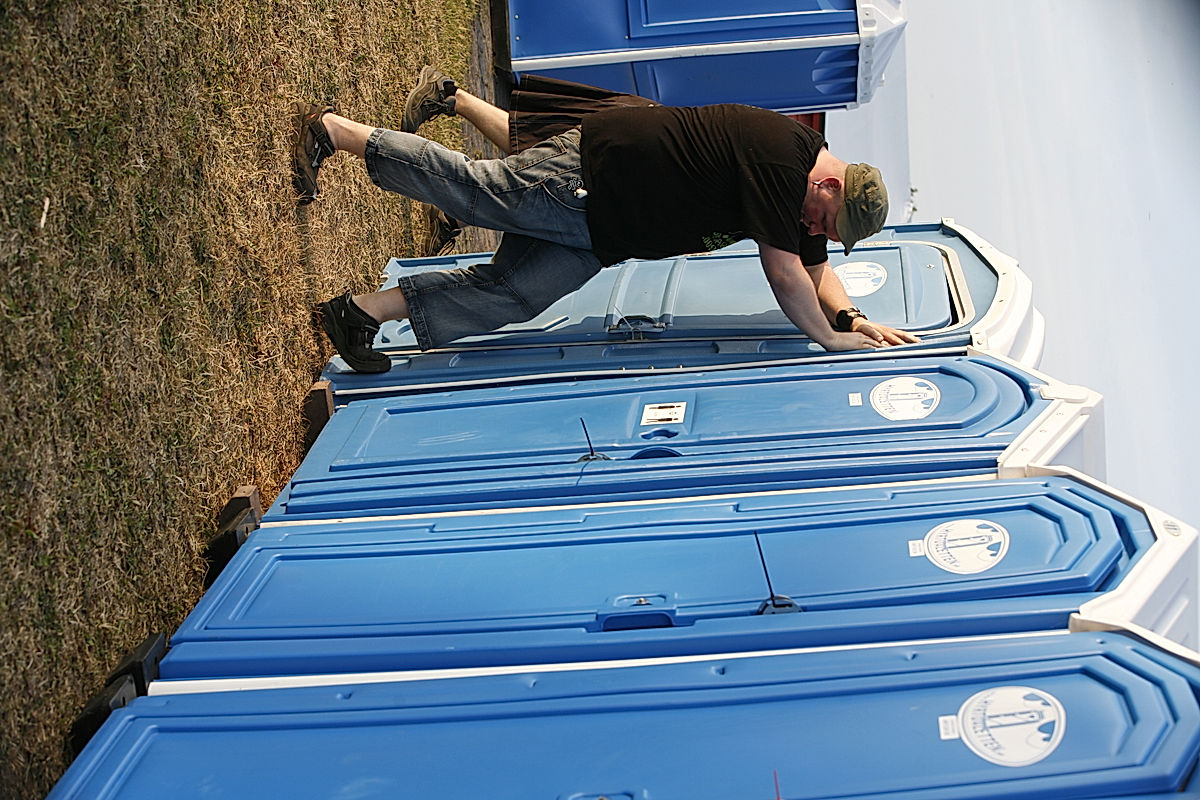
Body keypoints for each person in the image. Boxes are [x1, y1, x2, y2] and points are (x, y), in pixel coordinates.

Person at [294, 67, 920, 374]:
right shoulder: (783, 160)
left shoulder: (808, 196)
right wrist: (827, 341)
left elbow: (816, 272)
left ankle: (360, 314)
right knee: (476, 194)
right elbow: (787, 278)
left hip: (604, 233)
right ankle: (333, 131)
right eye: (832, 223)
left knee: (515, 295)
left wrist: (853, 319)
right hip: (592, 180)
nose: (823, 234)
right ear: (831, 184)